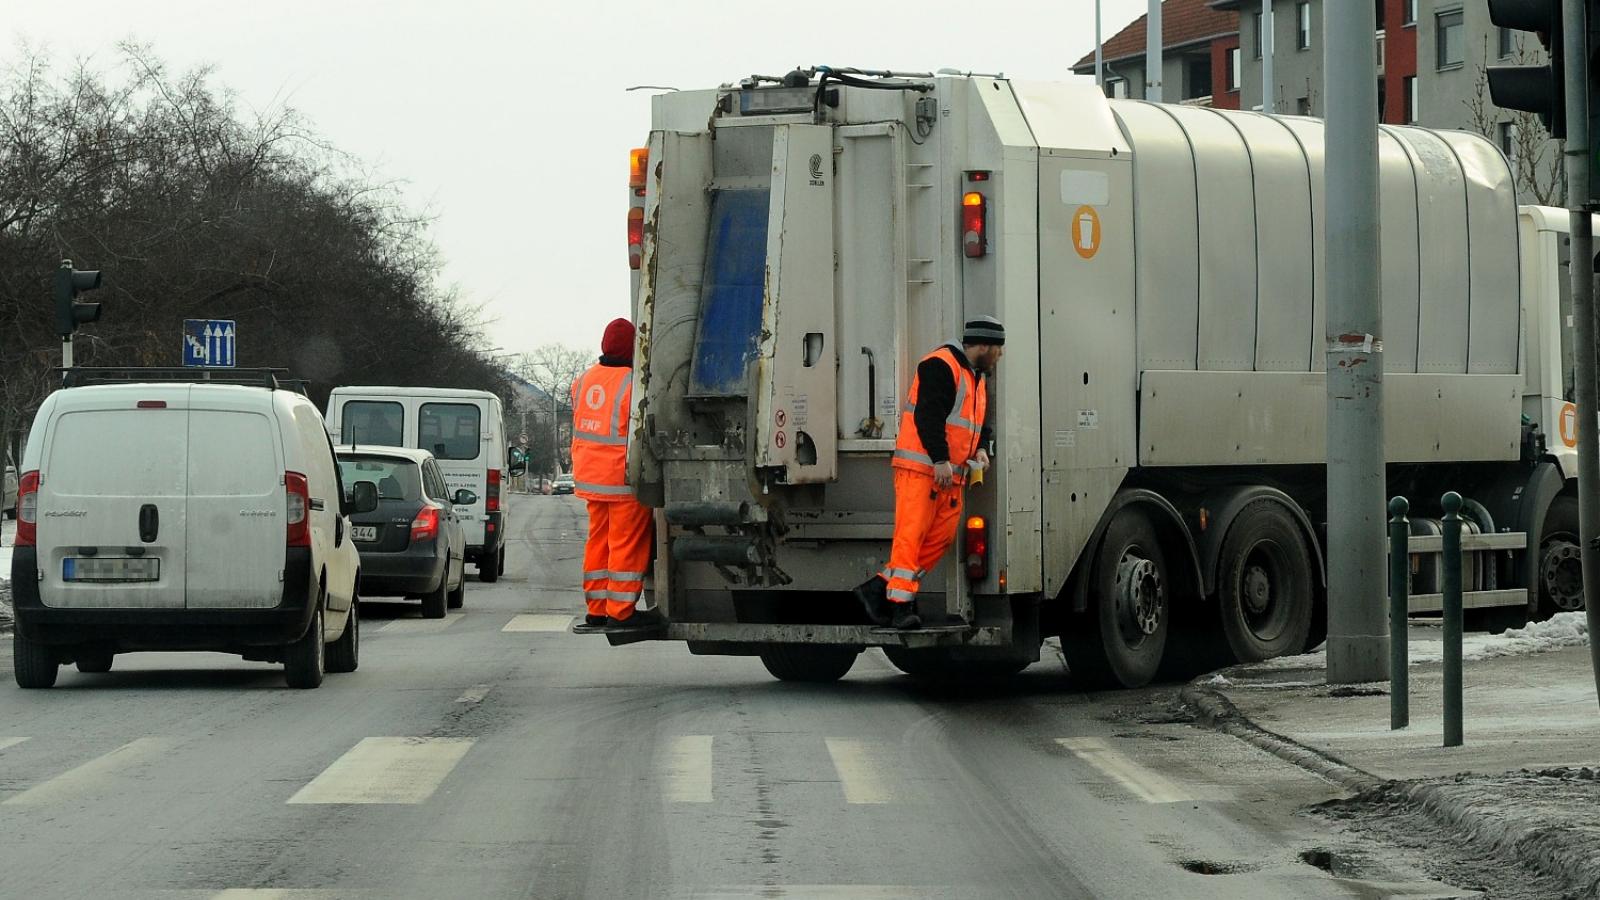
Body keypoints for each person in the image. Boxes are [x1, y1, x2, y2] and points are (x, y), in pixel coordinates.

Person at [855, 316, 1005, 630]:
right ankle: (900, 606)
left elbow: (977, 422)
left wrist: (981, 448)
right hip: (923, 470)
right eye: (998, 349)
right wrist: (939, 459)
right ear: (984, 345)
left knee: (939, 539)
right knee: (910, 538)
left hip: (949, 476)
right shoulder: (940, 365)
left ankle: (879, 588)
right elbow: (928, 417)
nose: (1000, 356)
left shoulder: (975, 375)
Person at [571, 318, 660, 629]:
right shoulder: (634, 384)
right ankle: (620, 611)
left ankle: (596, 609)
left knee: (598, 542)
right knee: (626, 543)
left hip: (590, 479)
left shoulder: (582, 380)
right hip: (622, 480)